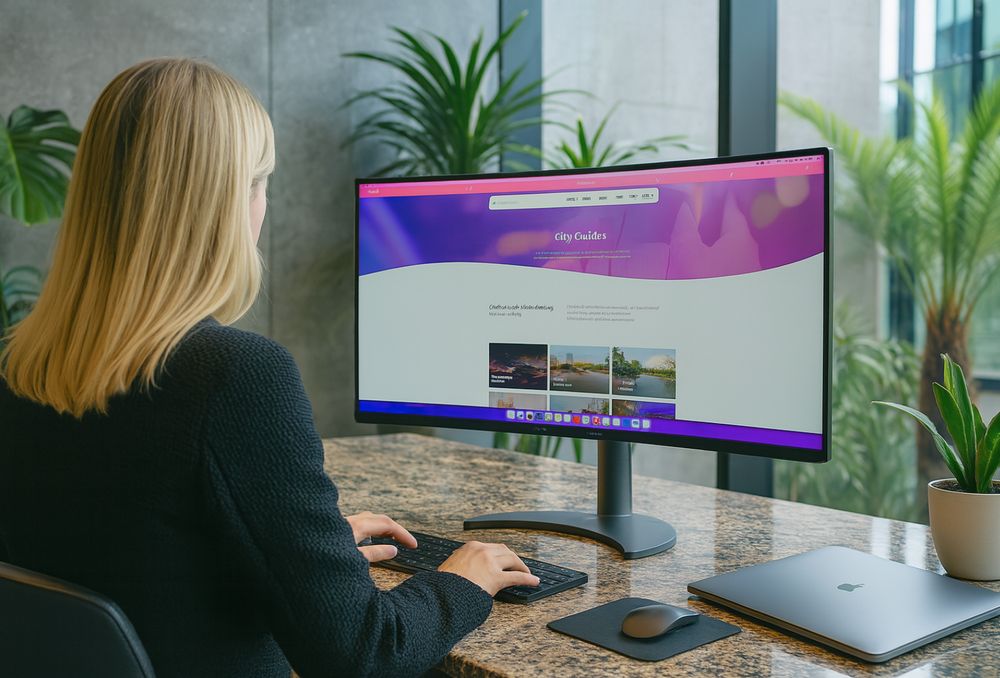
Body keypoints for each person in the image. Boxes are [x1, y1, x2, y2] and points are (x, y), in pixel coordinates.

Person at [0, 58, 538, 678]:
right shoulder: (234, 376)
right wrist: (462, 581)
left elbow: (135, 556)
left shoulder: (22, 367)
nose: (263, 208)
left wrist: (304, 553)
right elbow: (363, 655)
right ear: (217, 204)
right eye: (259, 182)